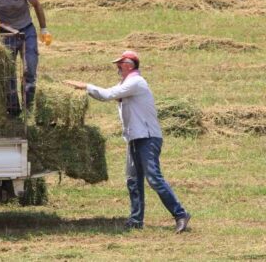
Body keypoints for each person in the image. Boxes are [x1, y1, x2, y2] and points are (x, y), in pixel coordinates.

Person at [64, 50, 190, 233]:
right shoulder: (127, 83)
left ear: (130, 65)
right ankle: (136, 220)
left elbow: (107, 95)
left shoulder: (136, 82)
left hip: (148, 138)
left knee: (154, 178)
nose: (117, 67)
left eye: (120, 64)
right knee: (133, 180)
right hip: (134, 138)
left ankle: (180, 214)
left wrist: (85, 86)